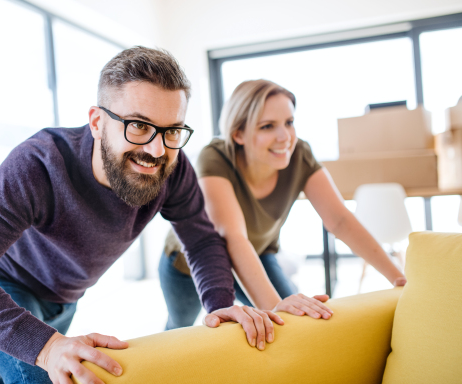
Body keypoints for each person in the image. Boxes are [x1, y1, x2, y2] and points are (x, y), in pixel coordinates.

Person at [0, 48, 285, 384]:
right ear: (96, 122)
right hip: (8, 287)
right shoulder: (38, 165)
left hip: (66, 296)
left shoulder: (173, 167)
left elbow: (202, 237)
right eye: (138, 126)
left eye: (171, 130)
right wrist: (47, 347)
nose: (156, 150)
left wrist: (221, 305)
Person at [159, 79, 407, 330]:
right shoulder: (215, 157)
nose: (284, 137)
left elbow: (340, 220)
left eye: (289, 122)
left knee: (290, 323)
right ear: (238, 134)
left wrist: (399, 278)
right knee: (180, 327)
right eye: (267, 126)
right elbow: (233, 237)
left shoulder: (299, 153)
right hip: (190, 263)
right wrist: (274, 304)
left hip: (257, 253)